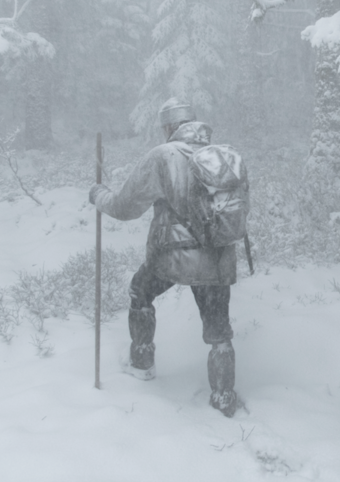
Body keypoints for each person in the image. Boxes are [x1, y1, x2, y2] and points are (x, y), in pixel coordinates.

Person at [89, 97, 239, 417]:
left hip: (174, 257)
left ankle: (142, 362)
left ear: (169, 127)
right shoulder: (221, 155)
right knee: (219, 330)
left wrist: (98, 195)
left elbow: (125, 207)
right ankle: (224, 397)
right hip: (220, 254)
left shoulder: (163, 156)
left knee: (140, 291)